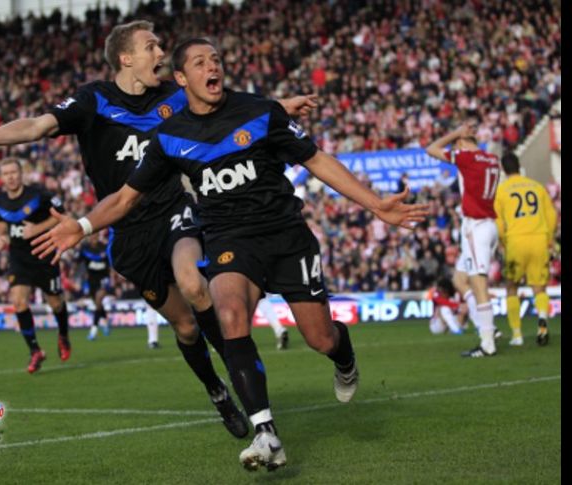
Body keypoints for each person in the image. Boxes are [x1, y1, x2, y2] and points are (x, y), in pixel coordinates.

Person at [31, 38, 429, 472]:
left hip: (285, 235)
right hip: (228, 241)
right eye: (199, 63)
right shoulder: (169, 137)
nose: (211, 67)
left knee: (319, 338)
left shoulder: (259, 112)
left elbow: (316, 160)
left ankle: (343, 352)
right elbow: (125, 199)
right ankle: (265, 433)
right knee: (230, 316)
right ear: (182, 80)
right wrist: (84, 225)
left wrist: (375, 204)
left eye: (216, 60)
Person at [0, 20, 316, 440]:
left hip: (174, 208)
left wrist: (278, 104)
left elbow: (223, 109)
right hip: (126, 231)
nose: (160, 54)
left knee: (194, 283)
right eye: (151, 46)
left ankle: (245, 382)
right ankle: (216, 390)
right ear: (126, 57)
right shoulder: (94, 100)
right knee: (185, 328)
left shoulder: (172, 95)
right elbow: (37, 125)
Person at [426, 124, 501, 357]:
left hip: (477, 226)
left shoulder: (466, 157)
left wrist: (455, 131)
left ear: (460, 143)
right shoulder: (491, 159)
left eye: (456, 143)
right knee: (460, 280)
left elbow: (431, 148)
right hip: (485, 224)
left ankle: (487, 342)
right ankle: (487, 327)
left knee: (478, 284)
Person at [0, 158, 72, 373]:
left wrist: (37, 228)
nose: (10, 176)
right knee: (18, 302)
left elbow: (62, 216)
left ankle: (63, 335)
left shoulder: (39, 194)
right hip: (19, 258)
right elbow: (1, 225)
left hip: (44, 255)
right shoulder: (0, 200)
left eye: (13, 172)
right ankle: (35, 351)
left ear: (21, 174)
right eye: (6, 173)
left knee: (56, 304)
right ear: (2, 178)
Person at [494, 152, 557, 346]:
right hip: (538, 240)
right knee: (539, 287)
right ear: (519, 165)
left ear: (503, 169)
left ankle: (517, 335)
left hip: (516, 242)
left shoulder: (502, 190)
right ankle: (543, 320)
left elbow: (499, 222)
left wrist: (504, 243)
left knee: (512, 287)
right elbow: (552, 215)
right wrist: (548, 238)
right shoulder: (537, 187)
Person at [78, 233, 111, 340]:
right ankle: (105, 321)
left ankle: (94, 330)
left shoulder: (104, 247)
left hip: (103, 279)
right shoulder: (84, 248)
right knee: (98, 304)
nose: (94, 238)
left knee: (98, 300)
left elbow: (111, 263)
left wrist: (113, 276)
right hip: (91, 280)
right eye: (92, 236)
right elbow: (77, 261)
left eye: (95, 236)